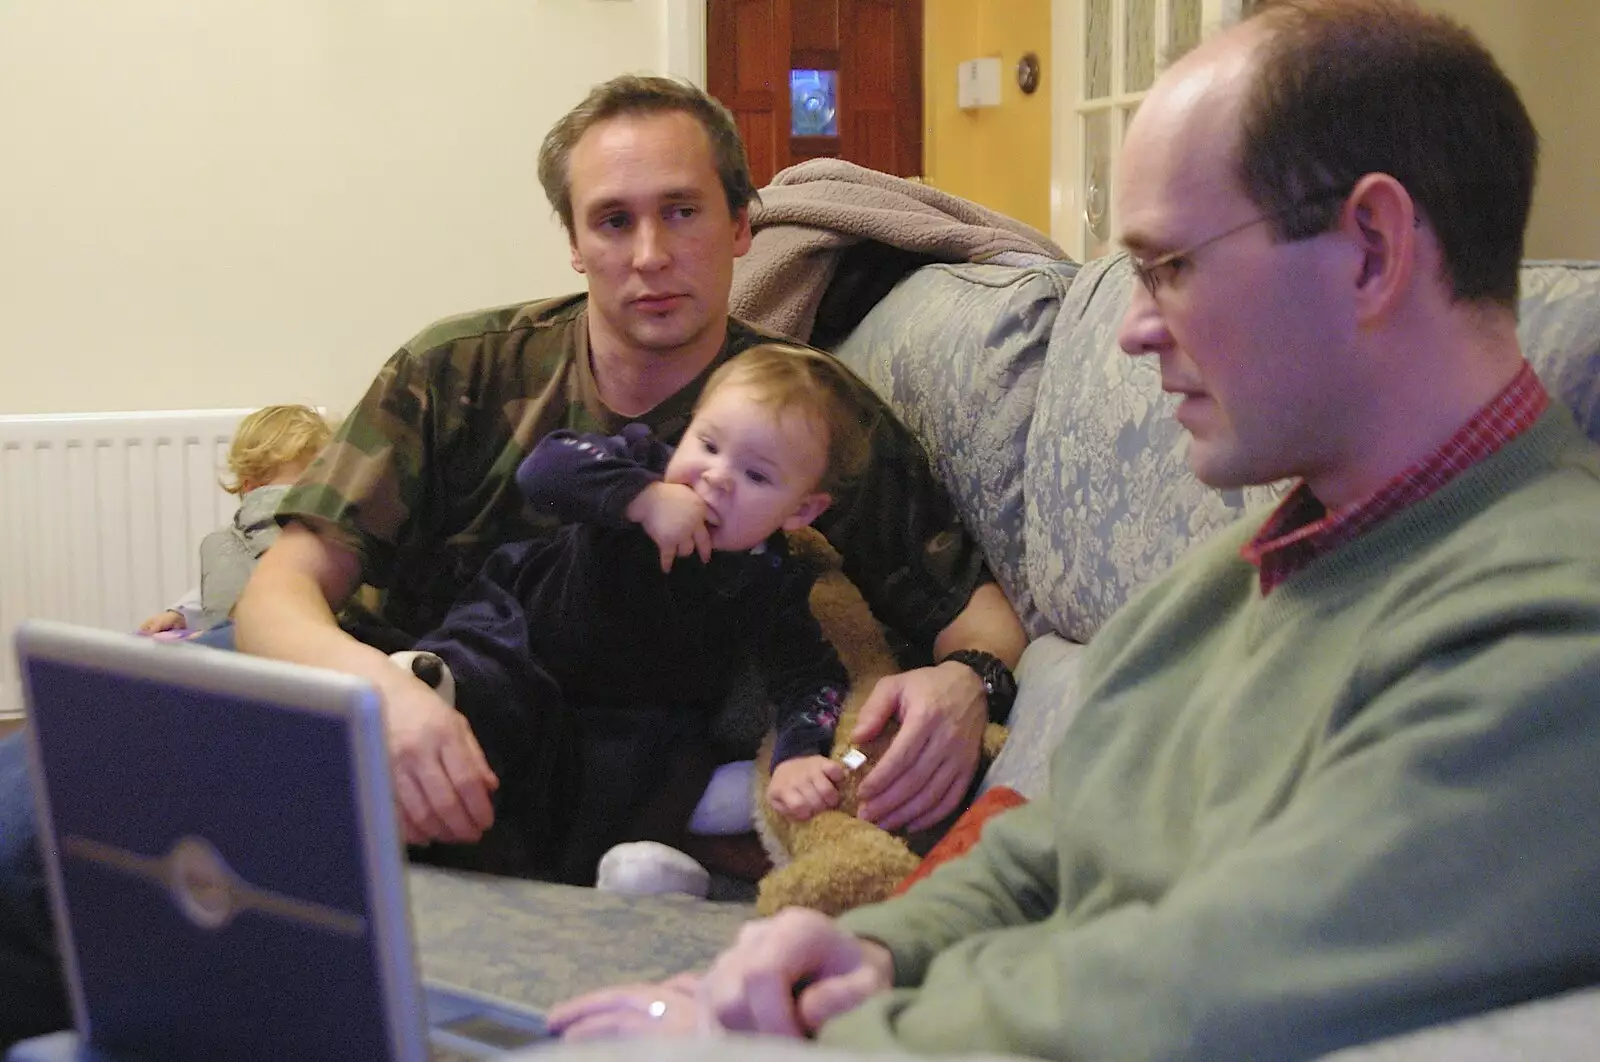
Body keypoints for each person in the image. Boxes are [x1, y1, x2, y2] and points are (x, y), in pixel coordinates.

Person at [546, 2, 1600, 1058]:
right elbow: (1048, 846)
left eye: (1172, 266)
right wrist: (869, 953)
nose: (1135, 328)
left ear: (1369, 248)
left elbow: (1220, 987)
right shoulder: (1226, 584)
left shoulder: (1549, 630)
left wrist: (808, 1041)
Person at [0, 74, 1023, 1046]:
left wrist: (964, 682)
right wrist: (384, 702)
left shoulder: (798, 421)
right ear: (574, 244)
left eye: (682, 212)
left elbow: (980, 617)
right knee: (43, 811)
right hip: (360, 682)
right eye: (612, 220)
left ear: (742, 225)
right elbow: (282, 592)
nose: (650, 253)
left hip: (548, 770)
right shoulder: (457, 369)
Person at [407, 344, 873, 885]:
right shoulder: (639, 462)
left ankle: (636, 873)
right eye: (709, 444)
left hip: (623, 713)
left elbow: (813, 680)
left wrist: (797, 754)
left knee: (654, 770)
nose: (716, 477)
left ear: (800, 510)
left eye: (757, 476)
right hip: (523, 631)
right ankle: (424, 686)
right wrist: (644, 499)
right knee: (485, 678)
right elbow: (545, 469)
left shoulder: (768, 582)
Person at [136, 404, 334, 637]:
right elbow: (222, 588)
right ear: (251, 488)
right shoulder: (237, 543)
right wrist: (181, 614)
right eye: (301, 485)